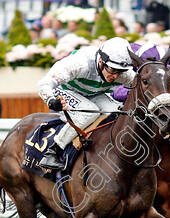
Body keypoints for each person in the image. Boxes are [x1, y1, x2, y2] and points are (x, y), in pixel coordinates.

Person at [36, 37, 135, 170]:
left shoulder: (123, 72)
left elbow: (143, 87)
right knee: (89, 111)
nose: (116, 76)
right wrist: (50, 99)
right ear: (101, 62)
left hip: (92, 94)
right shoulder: (81, 63)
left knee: (117, 111)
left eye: (120, 72)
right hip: (64, 90)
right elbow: (44, 82)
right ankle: (53, 152)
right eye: (113, 70)